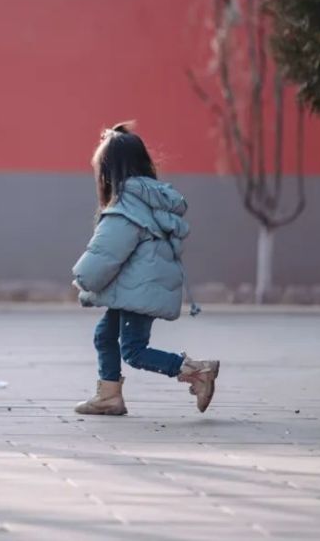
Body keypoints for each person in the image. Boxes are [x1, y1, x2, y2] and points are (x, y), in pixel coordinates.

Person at [71, 122, 219, 415]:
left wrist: (83, 278)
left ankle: (196, 371)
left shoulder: (127, 207)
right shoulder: (147, 199)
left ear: (110, 171)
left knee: (134, 351)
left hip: (136, 291)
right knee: (104, 336)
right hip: (134, 288)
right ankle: (109, 396)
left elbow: (107, 251)